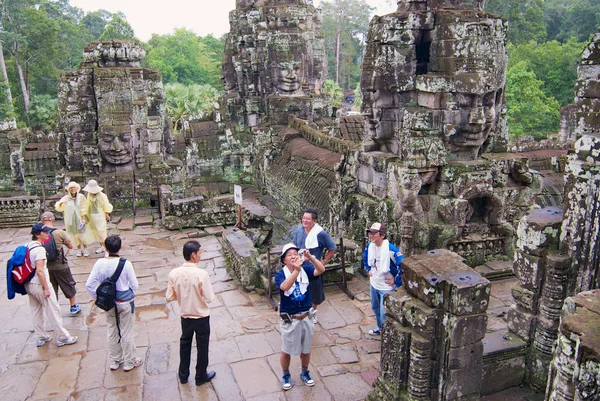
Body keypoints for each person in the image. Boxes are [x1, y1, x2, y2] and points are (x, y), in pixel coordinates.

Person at [85, 235, 142, 372]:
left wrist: (97, 296)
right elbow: (134, 285)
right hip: (124, 300)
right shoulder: (126, 264)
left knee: (112, 329)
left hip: (108, 302)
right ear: (120, 247)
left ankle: (115, 360)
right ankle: (129, 361)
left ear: (105, 247)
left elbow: (89, 285)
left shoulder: (99, 263)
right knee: (126, 331)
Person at [274, 243, 325, 391]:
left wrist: (311, 258)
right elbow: (284, 287)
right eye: (289, 254)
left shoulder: (306, 270)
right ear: (284, 260)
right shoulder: (280, 274)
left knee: (306, 349)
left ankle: (305, 371)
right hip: (290, 318)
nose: (293, 256)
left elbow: (321, 270)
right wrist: (296, 270)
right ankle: (285, 374)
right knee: (286, 349)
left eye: (295, 253)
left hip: (306, 316)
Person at [166, 240, 216, 386]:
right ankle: (200, 376)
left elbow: (169, 296)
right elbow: (209, 298)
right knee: (202, 347)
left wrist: (181, 295)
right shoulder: (202, 274)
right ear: (193, 255)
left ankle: (183, 375)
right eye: (200, 252)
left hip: (185, 316)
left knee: (185, 344)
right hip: (201, 317)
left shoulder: (174, 273)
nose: (201, 255)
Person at [25, 222, 78, 347]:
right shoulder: (39, 250)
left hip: (28, 284)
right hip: (39, 284)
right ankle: (62, 337)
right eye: (45, 232)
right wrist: (46, 288)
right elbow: (40, 271)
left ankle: (41, 336)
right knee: (53, 310)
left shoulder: (28, 246)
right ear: (38, 235)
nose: (48, 233)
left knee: (36, 310)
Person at [292, 208, 336, 322]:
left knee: (314, 292)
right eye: (304, 218)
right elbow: (294, 244)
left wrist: (324, 261)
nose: (305, 221)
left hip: (313, 267)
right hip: (300, 265)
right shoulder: (299, 231)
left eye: (308, 219)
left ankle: (312, 314)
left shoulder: (320, 234)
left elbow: (332, 248)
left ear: (314, 221)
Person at [362, 222, 404, 335]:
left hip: (386, 285)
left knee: (384, 310)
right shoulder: (370, 246)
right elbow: (365, 258)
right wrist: (368, 269)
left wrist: (396, 279)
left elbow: (402, 265)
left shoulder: (391, 249)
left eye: (374, 233)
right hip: (374, 282)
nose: (371, 235)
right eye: (370, 233)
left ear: (382, 235)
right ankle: (380, 327)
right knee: (375, 307)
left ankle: (387, 332)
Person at [40, 211, 81, 314]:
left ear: (41, 221)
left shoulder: (39, 234)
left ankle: (54, 309)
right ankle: (73, 306)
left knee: (52, 288)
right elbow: (71, 246)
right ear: (53, 220)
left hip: (46, 266)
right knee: (68, 285)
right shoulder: (59, 232)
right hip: (61, 265)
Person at [55, 181, 89, 257]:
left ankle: (85, 248)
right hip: (70, 220)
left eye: (74, 188)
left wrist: (83, 218)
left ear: (77, 188)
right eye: (71, 188)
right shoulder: (66, 198)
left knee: (82, 234)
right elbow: (58, 206)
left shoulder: (81, 197)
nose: (73, 189)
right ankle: (79, 249)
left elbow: (84, 207)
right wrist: (61, 204)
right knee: (74, 235)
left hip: (80, 219)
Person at [82, 179, 113, 254]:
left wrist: (106, 214)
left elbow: (106, 205)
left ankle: (106, 250)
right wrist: (85, 216)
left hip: (99, 216)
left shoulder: (102, 196)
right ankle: (102, 246)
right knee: (96, 233)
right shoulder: (89, 195)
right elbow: (88, 205)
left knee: (102, 233)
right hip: (91, 216)